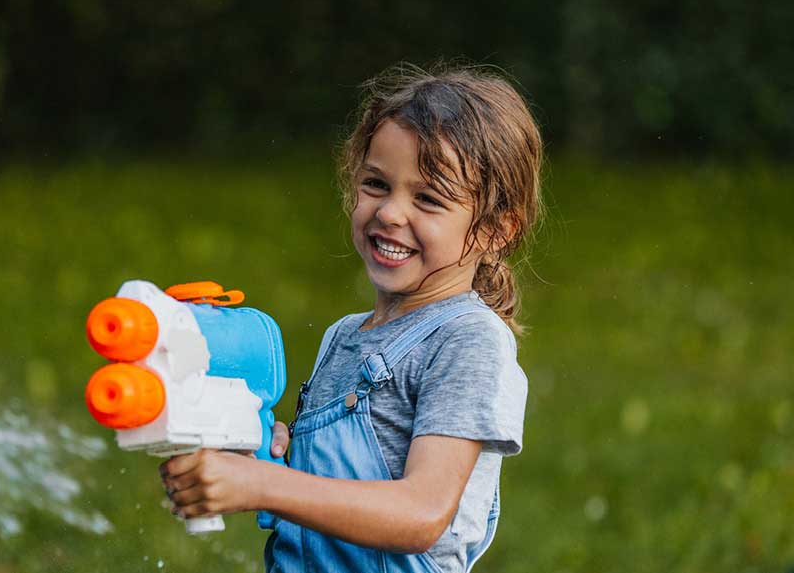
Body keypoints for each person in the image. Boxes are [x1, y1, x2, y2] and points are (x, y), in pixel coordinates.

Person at [160, 63, 543, 573]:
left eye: (427, 198)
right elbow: (330, 488)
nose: (389, 213)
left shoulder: (469, 341)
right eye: (376, 184)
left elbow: (422, 514)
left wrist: (267, 485)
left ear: (496, 230)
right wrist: (269, 457)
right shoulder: (344, 336)